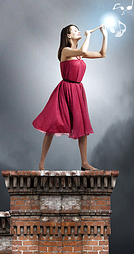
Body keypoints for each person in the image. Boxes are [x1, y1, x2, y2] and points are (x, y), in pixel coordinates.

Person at [33, 24, 108, 171]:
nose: (78, 31)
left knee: (83, 126)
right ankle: (41, 164)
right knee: (52, 125)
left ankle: (84, 163)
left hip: (78, 90)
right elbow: (83, 50)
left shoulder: (79, 53)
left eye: (78, 29)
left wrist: (105, 36)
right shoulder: (66, 51)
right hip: (65, 90)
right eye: (75, 30)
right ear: (68, 35)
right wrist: (88, 36)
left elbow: (102, 54)